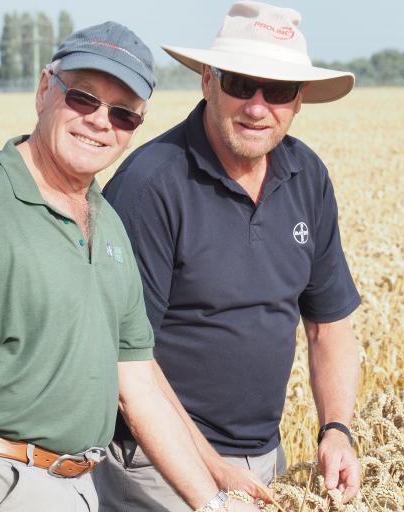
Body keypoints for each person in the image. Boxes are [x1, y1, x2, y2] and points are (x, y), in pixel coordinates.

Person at [0, 22, 260, 512]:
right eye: (84, 98)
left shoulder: (106, 220)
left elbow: (137, 385)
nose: (100, 121)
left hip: (79, 486)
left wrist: (213, 503)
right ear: (45, 90)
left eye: (124, 114)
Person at [95, 1, 363, 510]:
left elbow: (329, 326)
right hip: (156, 460)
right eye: (241, 84)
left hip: (267, 457)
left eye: (278, 90)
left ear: (299, 99)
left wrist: (336, 430)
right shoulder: (151, 185)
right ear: (208, 82)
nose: (257, 107)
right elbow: (128, 360)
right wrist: (210, 467)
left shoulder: (308, 177)